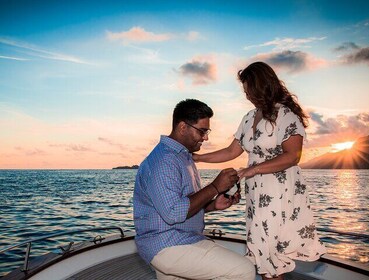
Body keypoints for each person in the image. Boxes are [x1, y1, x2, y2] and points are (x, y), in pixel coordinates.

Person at [193, 62, 326, 280]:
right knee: (265, 253)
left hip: (279, 191)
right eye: (245, 90)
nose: (247, 95)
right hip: (257, 194)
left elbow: (293, 156)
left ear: (262, 86)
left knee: (269, 257)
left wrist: (253, 170)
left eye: (249, 89)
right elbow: (231, 151)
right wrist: (198, 158)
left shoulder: (286, 116)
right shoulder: (248, 117)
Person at [133, 99, 255, 280]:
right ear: (183, 127)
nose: (206, 137)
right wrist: (214, 186)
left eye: (207, 131)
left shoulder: (183, 157)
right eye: (202, 131)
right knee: (244, 270)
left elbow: (182, 205)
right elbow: (174, 213)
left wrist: (213, 205)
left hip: (178, 240)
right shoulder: (164, 160)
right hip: (168, 244)